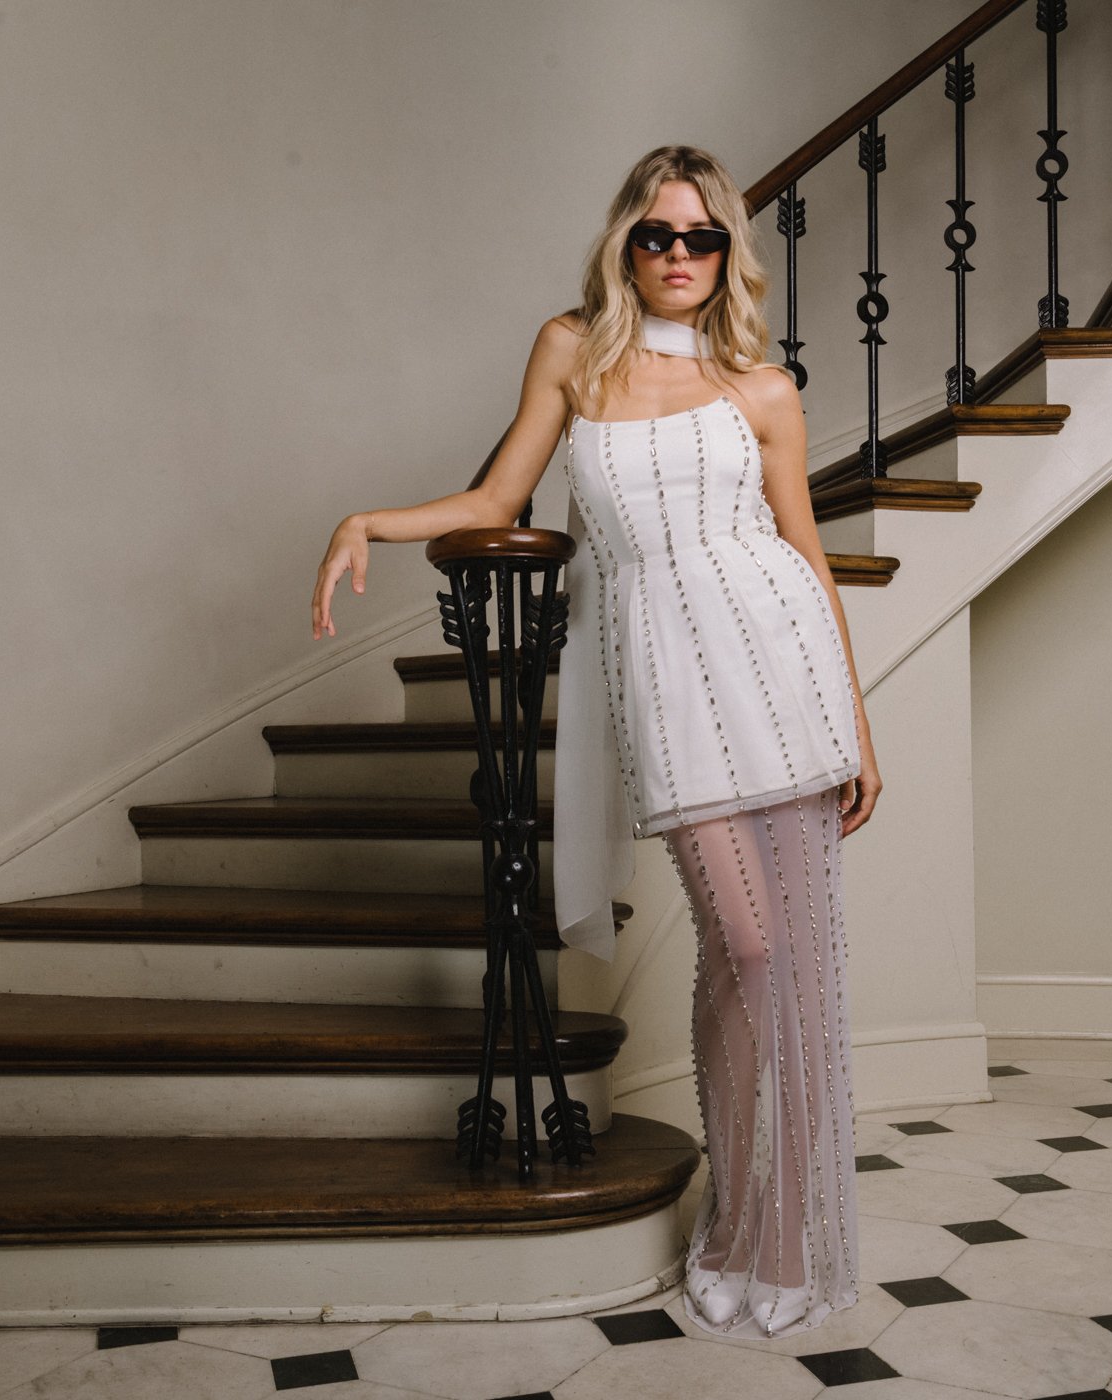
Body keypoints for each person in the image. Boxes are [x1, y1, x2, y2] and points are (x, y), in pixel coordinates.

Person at [312, 145, 881, 1341]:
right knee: (747, 939)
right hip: (667, 679)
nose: (680, 256)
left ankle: (762, 1230)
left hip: (780, 668)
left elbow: (807, 556)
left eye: (703, 238)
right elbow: (493, 502)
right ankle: (738, 1220)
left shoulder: (763, 388)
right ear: (627, 244)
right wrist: (368, 517)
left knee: (774, 960)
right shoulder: (573, 349)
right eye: (658, 236)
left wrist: (859, 723)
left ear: (730, 253)